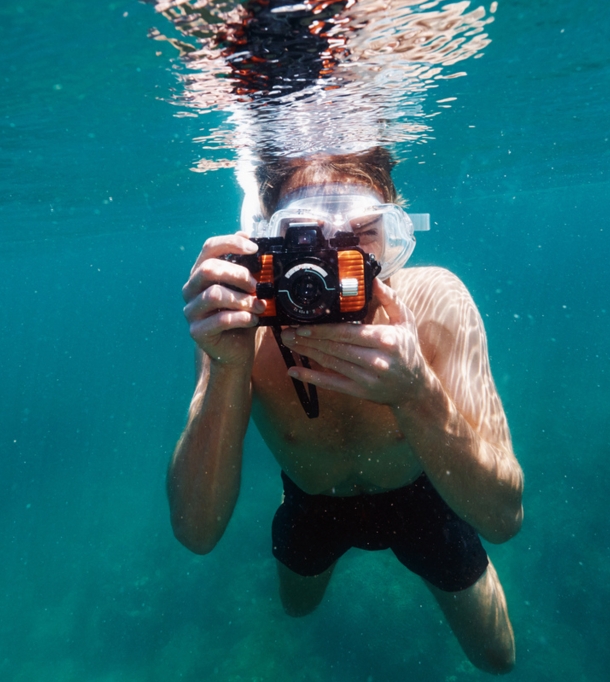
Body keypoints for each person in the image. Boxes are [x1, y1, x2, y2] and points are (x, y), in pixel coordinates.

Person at [168, 148, 523, 675]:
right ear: (265, 242)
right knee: (297, 607)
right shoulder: (240, 324)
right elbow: (196, 533)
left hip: (425, 497)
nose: (332, 267)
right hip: (314, 504)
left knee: (499, 658)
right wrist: (227, 368)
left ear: (395, 236)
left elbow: (504, 517)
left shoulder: (436, 303)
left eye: (362, 236)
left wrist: (418, 393)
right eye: (304, 241)